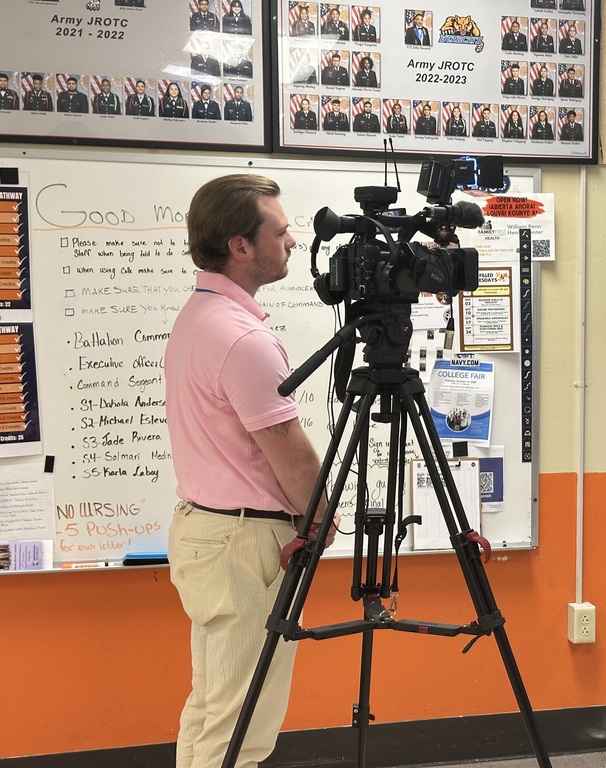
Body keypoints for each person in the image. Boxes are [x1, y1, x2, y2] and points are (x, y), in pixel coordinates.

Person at [166, 173, 330, 768]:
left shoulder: (199, 316)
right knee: (242, 722)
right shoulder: (240, 338)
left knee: (214, 706)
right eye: (280, 231)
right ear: (240, 245)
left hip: (209, 531)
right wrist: (322, 515)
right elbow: (285, 446)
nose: (293, 241)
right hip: (243, 543)